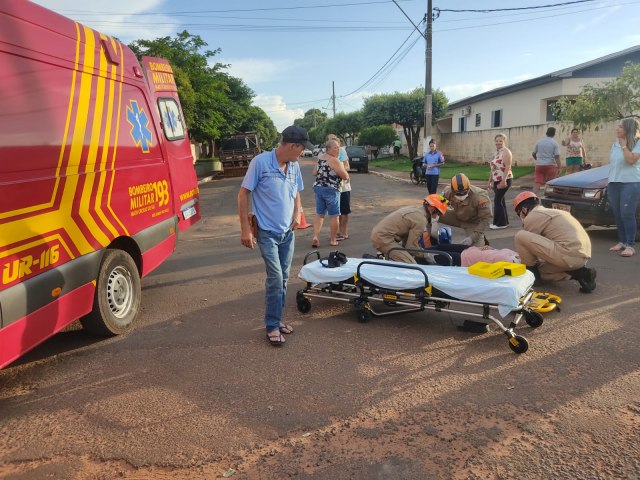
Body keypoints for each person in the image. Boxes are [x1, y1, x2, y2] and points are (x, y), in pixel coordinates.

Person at [237, 125, 309, 346]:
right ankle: (271, 326)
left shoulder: (294, 166)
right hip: (267, 232)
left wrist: (298, 212)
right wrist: (245, 229)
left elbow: (296, 191)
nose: (303, 153)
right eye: (301, 148)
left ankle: (277, 321)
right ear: (291, 145)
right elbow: (243, 194)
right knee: (276, 278)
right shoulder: (260, 163)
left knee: (284, 279)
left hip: (288, 233)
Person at [512, 191, 596, 293]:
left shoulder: (532, 216)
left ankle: (531, 276)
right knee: (541, 272)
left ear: (523, 210)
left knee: (520, 236)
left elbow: (530, 248)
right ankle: (581, 274)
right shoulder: (553, 212)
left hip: (567, 254)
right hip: (582, 257)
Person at [371, 194, 449, 263]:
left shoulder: (417, 210)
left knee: (405, 257)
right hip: (384, 239)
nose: (437, 216)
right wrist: (427, 255)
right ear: (432, 208)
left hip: (382, 236)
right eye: (438, 213)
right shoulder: (420, 220)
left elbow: (407, 242)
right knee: (411, 266)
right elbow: (411, 247)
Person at [607, 117, 640, 258]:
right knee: (618, 213)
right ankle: (622, 241)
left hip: (630, 182)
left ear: (628, 128)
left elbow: (631, 160)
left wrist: (624, 145)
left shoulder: (637, 143)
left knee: (627, 213)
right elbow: (614, 164)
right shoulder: (615, 144)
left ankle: (630, 245)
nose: (617, 128)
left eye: (620, 126)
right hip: (614, 182)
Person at [311, 139, 350, 248]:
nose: (338, 150)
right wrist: (342, 169)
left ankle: (315, 237)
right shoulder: (334, 160)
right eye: (335, 148)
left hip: (318, 188)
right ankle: (333, 240)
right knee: (334, 215)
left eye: (338, 147)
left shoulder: (320, 158)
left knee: (319, 214)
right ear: (328, 149)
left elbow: (314, 173)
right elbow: (345, 176)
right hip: (331, 190)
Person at [441, 173, 493, 247]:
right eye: (458, 194)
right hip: (456, 216)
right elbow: (439, 203)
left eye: (464, 193)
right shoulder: (448, 191)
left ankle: (482, 240)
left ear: (468, 188)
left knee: (478, 252)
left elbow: (486, 219)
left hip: (472, 223)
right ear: (452, 190)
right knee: (431, 213)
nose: (461, 196)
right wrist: (433, 219)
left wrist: (473, 238)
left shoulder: (480, 197)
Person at [325, 134, 352, 241]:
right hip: (331, 187)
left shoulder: (342, 152)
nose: (333, 143)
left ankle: (343, 232)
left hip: (344, 187)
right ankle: (336, 233)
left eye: (334, 141)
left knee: (344, 211)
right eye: (330, 141)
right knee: (335, 211)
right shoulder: (324, 155)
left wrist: (339, 168)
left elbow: (347, 166)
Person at [487, 133, 513, 230]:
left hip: (504, 180)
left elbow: (507, 167)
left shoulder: (506, 152)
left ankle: (500, 224)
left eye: (500, 141)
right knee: (501, 201)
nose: (498, 142)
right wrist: (489, 181)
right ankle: (504, 222)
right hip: (496, 180)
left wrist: (503, 181)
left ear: (504, 141)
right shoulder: (496, 152)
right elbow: (493, 168)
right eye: (497, 141)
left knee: (497, 201)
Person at [532, 127, 561, 195]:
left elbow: (533, 153)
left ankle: (532, 197)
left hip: (539, 165)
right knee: (550, 183)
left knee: (537, 182)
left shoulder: (539, 141)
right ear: (554, 134)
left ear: (546, 133)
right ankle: (549, 197)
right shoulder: (555, 143)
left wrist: (538, 159)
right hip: (550, 165)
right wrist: (559, 167)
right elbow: (557, 157)